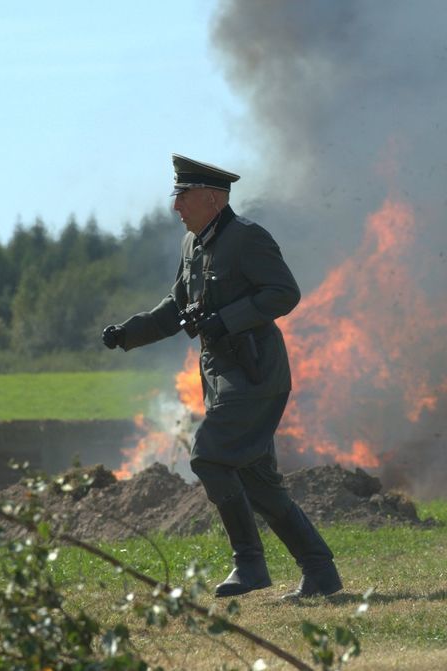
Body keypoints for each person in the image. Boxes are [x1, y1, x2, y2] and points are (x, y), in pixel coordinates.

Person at [102, 154, 342, 600]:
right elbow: (175, 308)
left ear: (212, 198)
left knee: (209, 455)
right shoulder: (193, 245)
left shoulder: (248, 239)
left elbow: (284, 293)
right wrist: (127, 333)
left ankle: (249, 564)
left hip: (255, 375)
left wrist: (226, 320)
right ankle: (320, 570)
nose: (176, 207)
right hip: (219, 377)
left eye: (183, 196)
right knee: (258, 483)